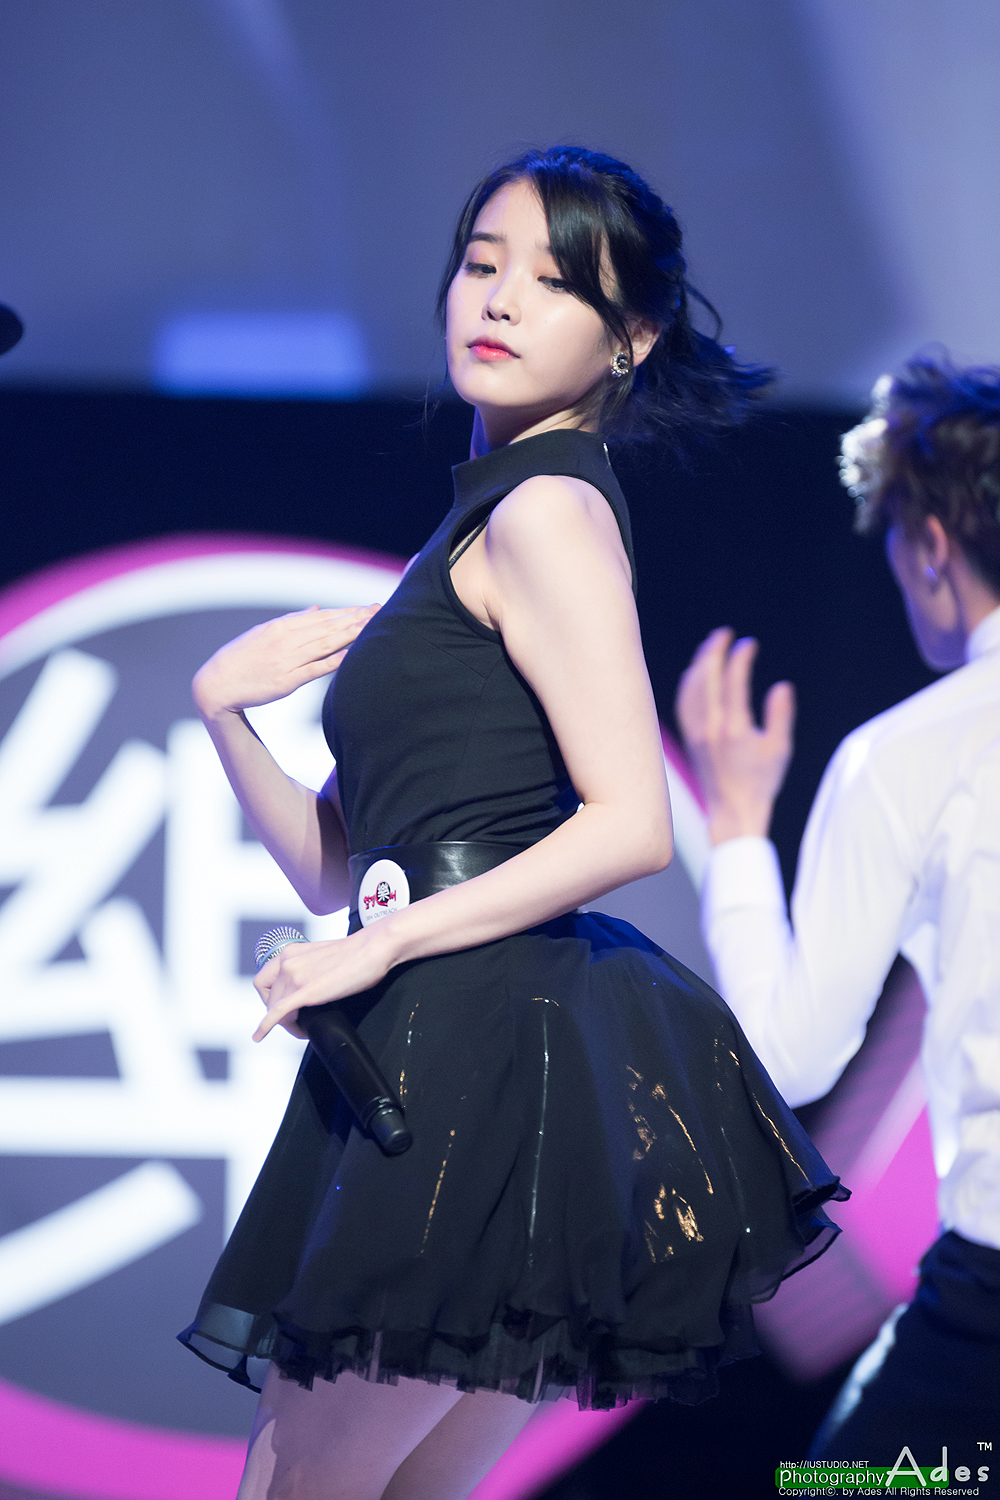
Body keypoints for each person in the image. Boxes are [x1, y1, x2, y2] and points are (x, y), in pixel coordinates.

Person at [178, 147, 846, 1500]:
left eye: (552, 281)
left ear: (629, 337)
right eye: (481, 264)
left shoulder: (546, 511)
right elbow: (333, 868)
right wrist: (221, 711)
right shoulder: (478, 526)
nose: (496, 299)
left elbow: (630, 824)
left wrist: (384, 945)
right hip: (456, 1037)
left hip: (476, 1049)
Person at [676, 356, 1000, 1463]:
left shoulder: (911, 755)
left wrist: (736, 824)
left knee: (857, 1486)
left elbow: (792, 1053)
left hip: (989, 1307)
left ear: (931, 546)